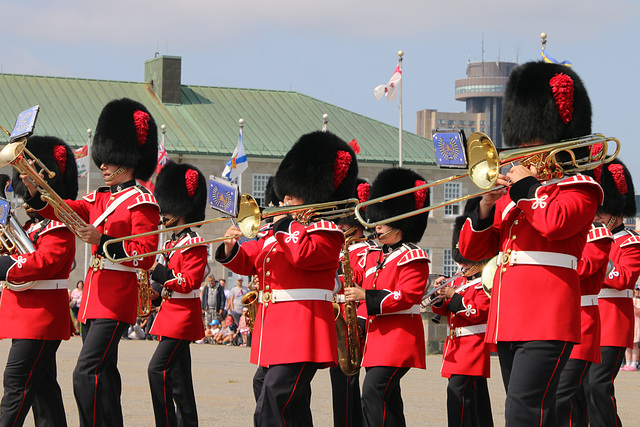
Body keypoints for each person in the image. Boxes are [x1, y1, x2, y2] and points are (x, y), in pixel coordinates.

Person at [457, 61, 603, 426]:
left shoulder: (581, 189)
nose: (523, 148)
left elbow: (554, 223)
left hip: (548, 317)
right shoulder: (513, 195)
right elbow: (471, 253)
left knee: (523, 412)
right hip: (509, 317)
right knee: (540, 412)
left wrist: (525, 187)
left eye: (531, 140)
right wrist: (486, 206)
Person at [23, 98, 160, 427]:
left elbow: (146, 252)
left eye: (108, 161)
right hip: (94, 300)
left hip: (116, 298)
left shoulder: (142, 201)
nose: (102, 166)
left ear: (125, 160)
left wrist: (103, 242)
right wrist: (35, 191)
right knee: (105, 376)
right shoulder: (99, 197)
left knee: (86, 373)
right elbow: (65, 209)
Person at [216, 130, 358, 426]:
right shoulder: (278, 233)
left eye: (292, 195)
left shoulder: (327, 232)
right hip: (276, 331)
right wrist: (231, 247)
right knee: (279, 398)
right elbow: (251, 260)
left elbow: (301, 254)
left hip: (303, 328)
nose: (284, 200)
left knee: (274, 397)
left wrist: (284, 223)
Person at [0, 136, 78, 427]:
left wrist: (4, 265)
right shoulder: (33, 224)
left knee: (16, 384)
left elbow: (45, 262)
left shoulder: (59, 223)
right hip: (28, 315)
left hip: (41, 317)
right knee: (43, 391)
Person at [344, 167, 430, 427]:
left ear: (399, 222)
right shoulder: (377, 256)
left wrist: (365, 295)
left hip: (398, 339)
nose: (376, 226)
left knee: (372, 393)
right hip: (377, 342)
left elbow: (406, 297)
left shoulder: (413, 257)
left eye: (382, 221)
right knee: (390, 401)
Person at [147, 161, 208, 427]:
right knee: (180, 384)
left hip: (183, 317)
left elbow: (188, 282)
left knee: (156, 370)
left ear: (179, 210)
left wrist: (155, 269)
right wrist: (151, 293)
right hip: (170, 314)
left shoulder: (194, 243)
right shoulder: (171, 242)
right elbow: (167, 284)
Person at [583, 158, 640, 427]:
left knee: (598, 386)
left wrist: (598, 253)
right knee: (580, 387)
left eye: (601, 214)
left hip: (613, 324)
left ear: (615, 215)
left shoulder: (630, 242)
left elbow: (623, 279)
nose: (595, 218)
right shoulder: (587, 240)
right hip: (586, 322)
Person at [429, 197, 494, 427]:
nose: (462, 266)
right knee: (474, 400)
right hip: (457, 348)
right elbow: (447, 311)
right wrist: (439, 297)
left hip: (473, 348)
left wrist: (453, 295)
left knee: (458, 395)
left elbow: (477, 312)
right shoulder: (462, 283)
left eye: (466, 262)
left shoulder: (484, 282)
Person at [555, 222, 613, 426]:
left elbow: (582, 268)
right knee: (574, 397)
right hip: (554, 320)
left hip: (581, 321)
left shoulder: (597, 233)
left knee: (562, 394)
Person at [330, 177, 371, 427]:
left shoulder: (367, 251)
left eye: (342, 225)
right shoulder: (340, 251)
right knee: (342, 386)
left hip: (356, 321)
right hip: (340, 319)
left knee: (349, 385)